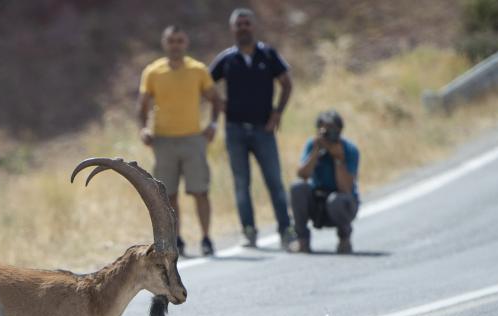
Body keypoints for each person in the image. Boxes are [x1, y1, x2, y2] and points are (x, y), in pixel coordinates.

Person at [209, 8, 295, 249]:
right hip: (235, 130)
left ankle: (286, 230)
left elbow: (287, 83)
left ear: (253, 26)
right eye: (239, 24)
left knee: (274, 181)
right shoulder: (227, 59)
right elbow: (205, 84)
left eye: (246, 23)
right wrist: (220, 103)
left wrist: (277, 113)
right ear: (232, 29)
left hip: (263, 129)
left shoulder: (268, 55)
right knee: (241, 183)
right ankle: (249, 231)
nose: (243, 28)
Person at [139, 25, 223, 256]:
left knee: (200, 191)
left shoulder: (198, 70)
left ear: (185, 43)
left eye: (179, 40)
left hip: (193, 140)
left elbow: (215, 99)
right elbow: (143, 104)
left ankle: (206, 238)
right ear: (165, 43)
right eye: (171, 41)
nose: (175, 45)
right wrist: (144, 128)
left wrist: (213, 124)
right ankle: (177, 240)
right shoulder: (153, 72)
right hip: (163, 141)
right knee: (168, 195)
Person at [291, 110, 360, 254]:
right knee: (297, 187)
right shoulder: (313, 145)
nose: (328, 135)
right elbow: (302, 175)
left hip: (341, 204)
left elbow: (346, 187)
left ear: (340, 131)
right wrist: (316, 152)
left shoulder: (349, 150)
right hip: (318, 202)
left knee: (337, 200)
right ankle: (302, 240)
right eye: (324, 131)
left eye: (332, 130)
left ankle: (344, 238)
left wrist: (339, 159)